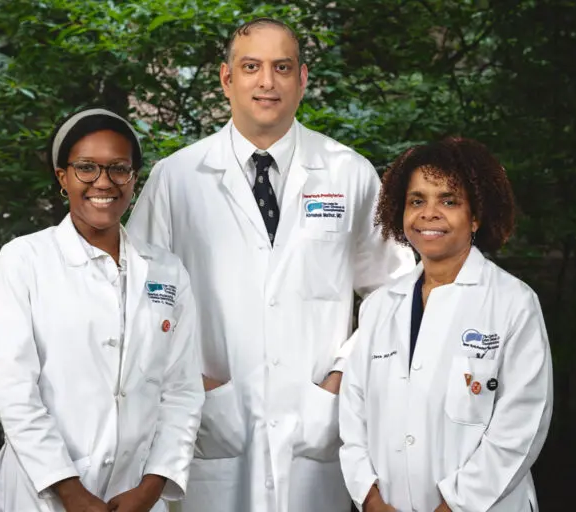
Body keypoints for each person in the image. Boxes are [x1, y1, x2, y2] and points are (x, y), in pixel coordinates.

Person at [126, 17, 414, 512]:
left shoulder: (348, 173)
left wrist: (342, 376)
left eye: (282, 67)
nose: (267, 82)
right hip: (210, 430)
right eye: (251, 67)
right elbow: (136, 297)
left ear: (302, 79)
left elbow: (400, 289)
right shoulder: (177, 178)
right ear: (226, 78)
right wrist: (192, 382)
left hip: (315, 427)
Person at [0, 108, 204, 512]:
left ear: (134, 178)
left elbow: (182, 391)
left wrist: (151, 487)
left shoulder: (167, 270)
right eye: (86, 167)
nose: (103, 182)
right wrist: (71, 493)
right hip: (44, 494)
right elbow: (12, 393)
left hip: (134, 493)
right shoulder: (25, 260)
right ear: (62, 176)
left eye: (119, 169)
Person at [338, 137, 553, 512]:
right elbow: (353, 418)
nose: (429, 213)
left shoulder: (513, 303)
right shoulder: (378, 307)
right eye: (416, 201)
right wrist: (370, 499)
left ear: (476, 216)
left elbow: (520, 427)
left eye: (448, 201)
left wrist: (454, 506)